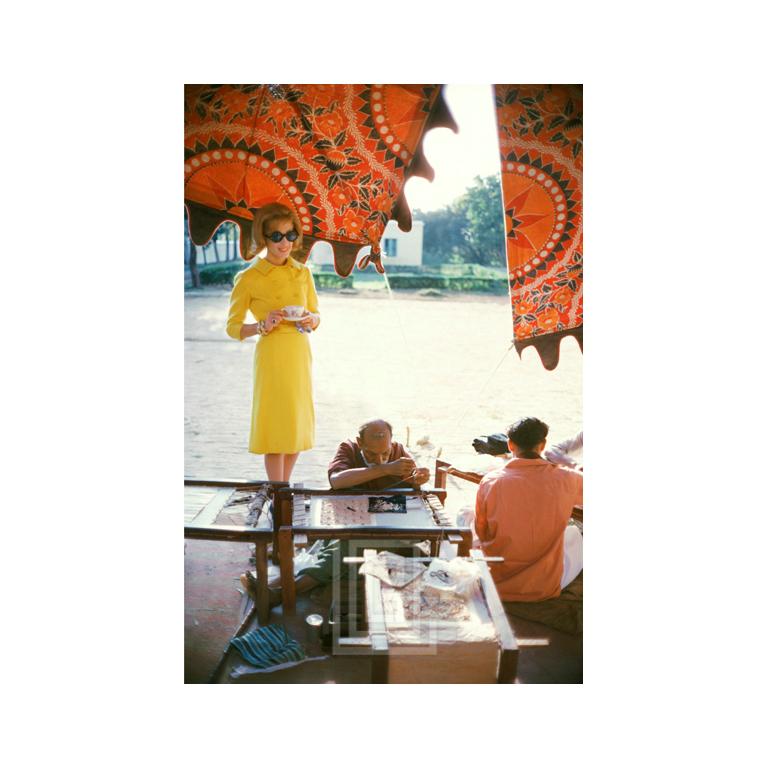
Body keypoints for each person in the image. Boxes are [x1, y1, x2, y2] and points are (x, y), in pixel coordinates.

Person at [226, 202, 320, 482]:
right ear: (263, 238)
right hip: (272, 356)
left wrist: (311, 320)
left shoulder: (303, 273)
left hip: (299, 354)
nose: (284, 243)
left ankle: (282, 491)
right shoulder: (249, 278)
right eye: (276, 236)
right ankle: (278, 492)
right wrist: (261, 325)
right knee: (277, 432)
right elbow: (232, 327)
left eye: (290, 235)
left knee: (296, 430)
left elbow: (317, 314)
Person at [474, 417, 583, 603]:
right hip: (543, 588)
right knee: (574, 534)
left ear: (510, 445)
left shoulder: (490, 481)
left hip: (498, 583)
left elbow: (481, 532)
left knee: (467, 514)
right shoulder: (569, 479)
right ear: (542, 445)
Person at [328, 419, 430, 490]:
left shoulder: (398, 450)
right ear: (360, 443)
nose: (379, 461)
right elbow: (336, 481)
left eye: (385, 453)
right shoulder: (349, 448)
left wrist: (418, 480)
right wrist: (385, 469)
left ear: (391, 441)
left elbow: (413, 482)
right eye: (371, 454)